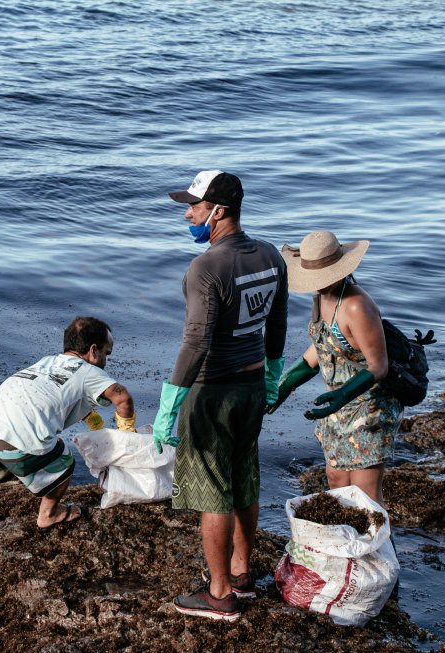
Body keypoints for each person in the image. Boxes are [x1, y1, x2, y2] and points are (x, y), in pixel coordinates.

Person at [154, 170, 288, 622]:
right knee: (243, 476)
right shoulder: (271, 256)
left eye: (194, 206)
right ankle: (243, 573)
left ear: (219, 211)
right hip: (252, 389)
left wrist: (171, 401)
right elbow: (277, 324)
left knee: (213, 491)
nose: (188, 214)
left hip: (213, 392)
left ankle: (219, 594)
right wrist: (272, 377)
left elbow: (196, 342)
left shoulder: (206, 267)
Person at [0, 316, 136, 533]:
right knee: (64, 460)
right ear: (93, 350)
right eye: (106, 353)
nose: (105, 361)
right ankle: (49, 514)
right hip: (19, 445)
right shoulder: (90, 371)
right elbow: (123, 398)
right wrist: (128, 432)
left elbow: (49, 397)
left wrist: (89, 417)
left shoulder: (46, 363)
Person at [267, 230, 401, 509]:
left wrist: (342, 396)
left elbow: (379, 365)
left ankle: (380, 551)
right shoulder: (321, 298)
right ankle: (347, 550)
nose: (318, 284)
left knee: (365, 497)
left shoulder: (356, 306)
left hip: (368, 407)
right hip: (336, 411)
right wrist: (283, 387)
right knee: (337, 482)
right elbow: (320, 350)